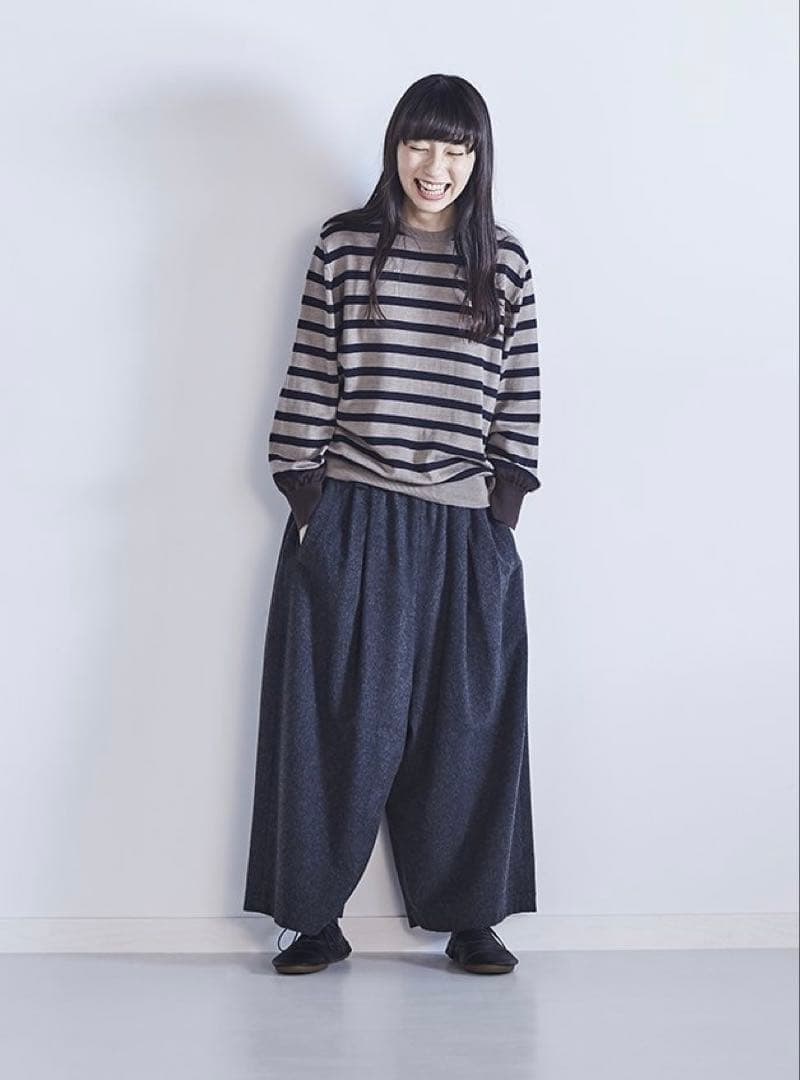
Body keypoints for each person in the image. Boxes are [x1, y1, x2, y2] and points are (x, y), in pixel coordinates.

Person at [243, 73, 541, 976]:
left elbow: (519, 397)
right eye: (420, 143)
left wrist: (500, 519)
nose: (435, 166)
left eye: (455, 148)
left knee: (468, 729)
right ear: (395, 147)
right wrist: (309, 500)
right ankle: (311, 919)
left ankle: (471, 918)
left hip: (464, 527)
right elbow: (311, 371)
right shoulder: (344, 246)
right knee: (333, 727)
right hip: (353, 511)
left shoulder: (505, 264)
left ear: (478, 158)